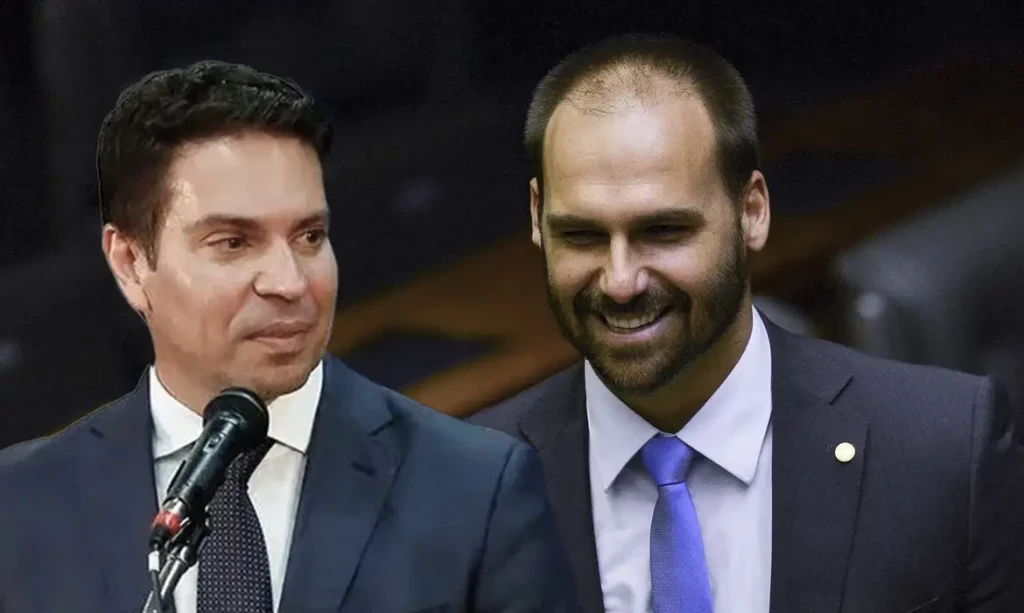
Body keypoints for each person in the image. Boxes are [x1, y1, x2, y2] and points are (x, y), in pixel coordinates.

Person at [469, 33, 1024, 613]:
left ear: (752, 212)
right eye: (581, 235)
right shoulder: (460, 490)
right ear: (537, 217)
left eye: (664, 231)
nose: (621, 281)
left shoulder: (946, 453)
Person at [0, 60, 579, 613]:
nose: (290, 282)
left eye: (309, 237)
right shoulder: (19, 504)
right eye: (233, 242)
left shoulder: (476, 490)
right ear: (130, 263)